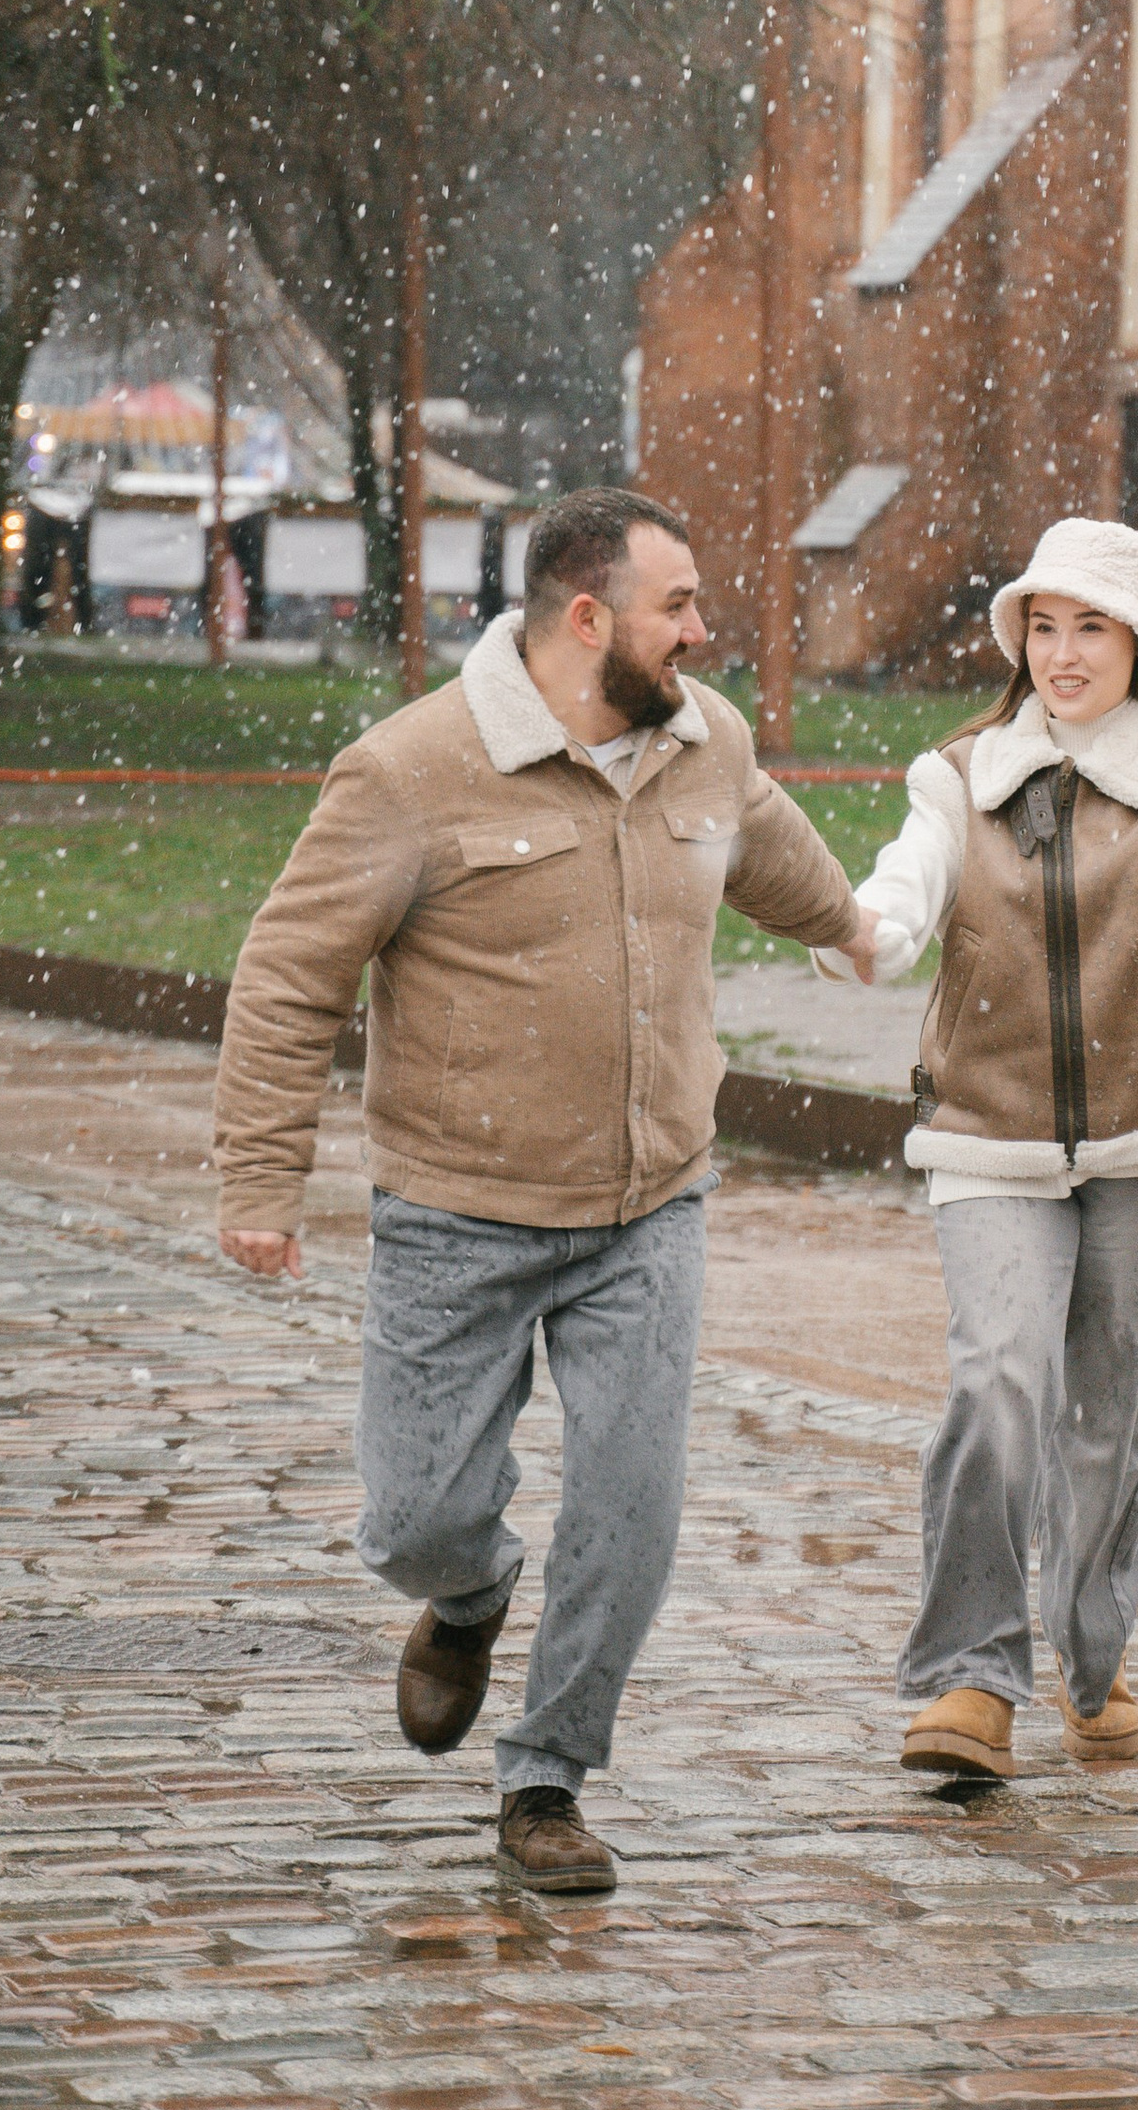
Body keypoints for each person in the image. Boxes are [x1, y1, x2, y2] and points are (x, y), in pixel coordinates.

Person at [213, 485, 879, 1892]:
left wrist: (855, 928)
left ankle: (548, 1781)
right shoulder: (409, 772)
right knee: (412, 1518)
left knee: (631, 1504)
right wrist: (264, 1177)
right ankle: (466, 1596)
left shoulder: (708, 745)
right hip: (456, 1210)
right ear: (590, 621)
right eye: (677, 606)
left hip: (651, 1209)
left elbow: (764, 842)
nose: (704, 631)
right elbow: (289, 978)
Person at [827, 518, 1138, 1780]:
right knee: (999, 1384)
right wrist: (855, 928)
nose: (1059, 653)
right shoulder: (964, 773)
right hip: (988, 1136)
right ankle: (975, 1681)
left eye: (1089, 626)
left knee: (1106, 1419)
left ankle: (1091, 1655)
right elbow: (899, 896)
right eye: (1040, 626)